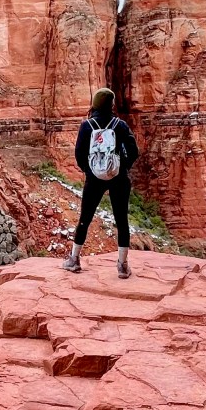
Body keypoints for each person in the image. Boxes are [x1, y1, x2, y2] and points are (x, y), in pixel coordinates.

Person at [63, 88, 138, 277]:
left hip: (94, 179)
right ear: (111, 105)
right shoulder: (120, 125)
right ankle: (122, 266)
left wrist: (90, 171)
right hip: (118, 178)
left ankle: (74, 260)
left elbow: (79, 154)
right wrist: (123, 168)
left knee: (85, 219)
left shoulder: (87, 126)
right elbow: (134, 150)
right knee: (122, 221)